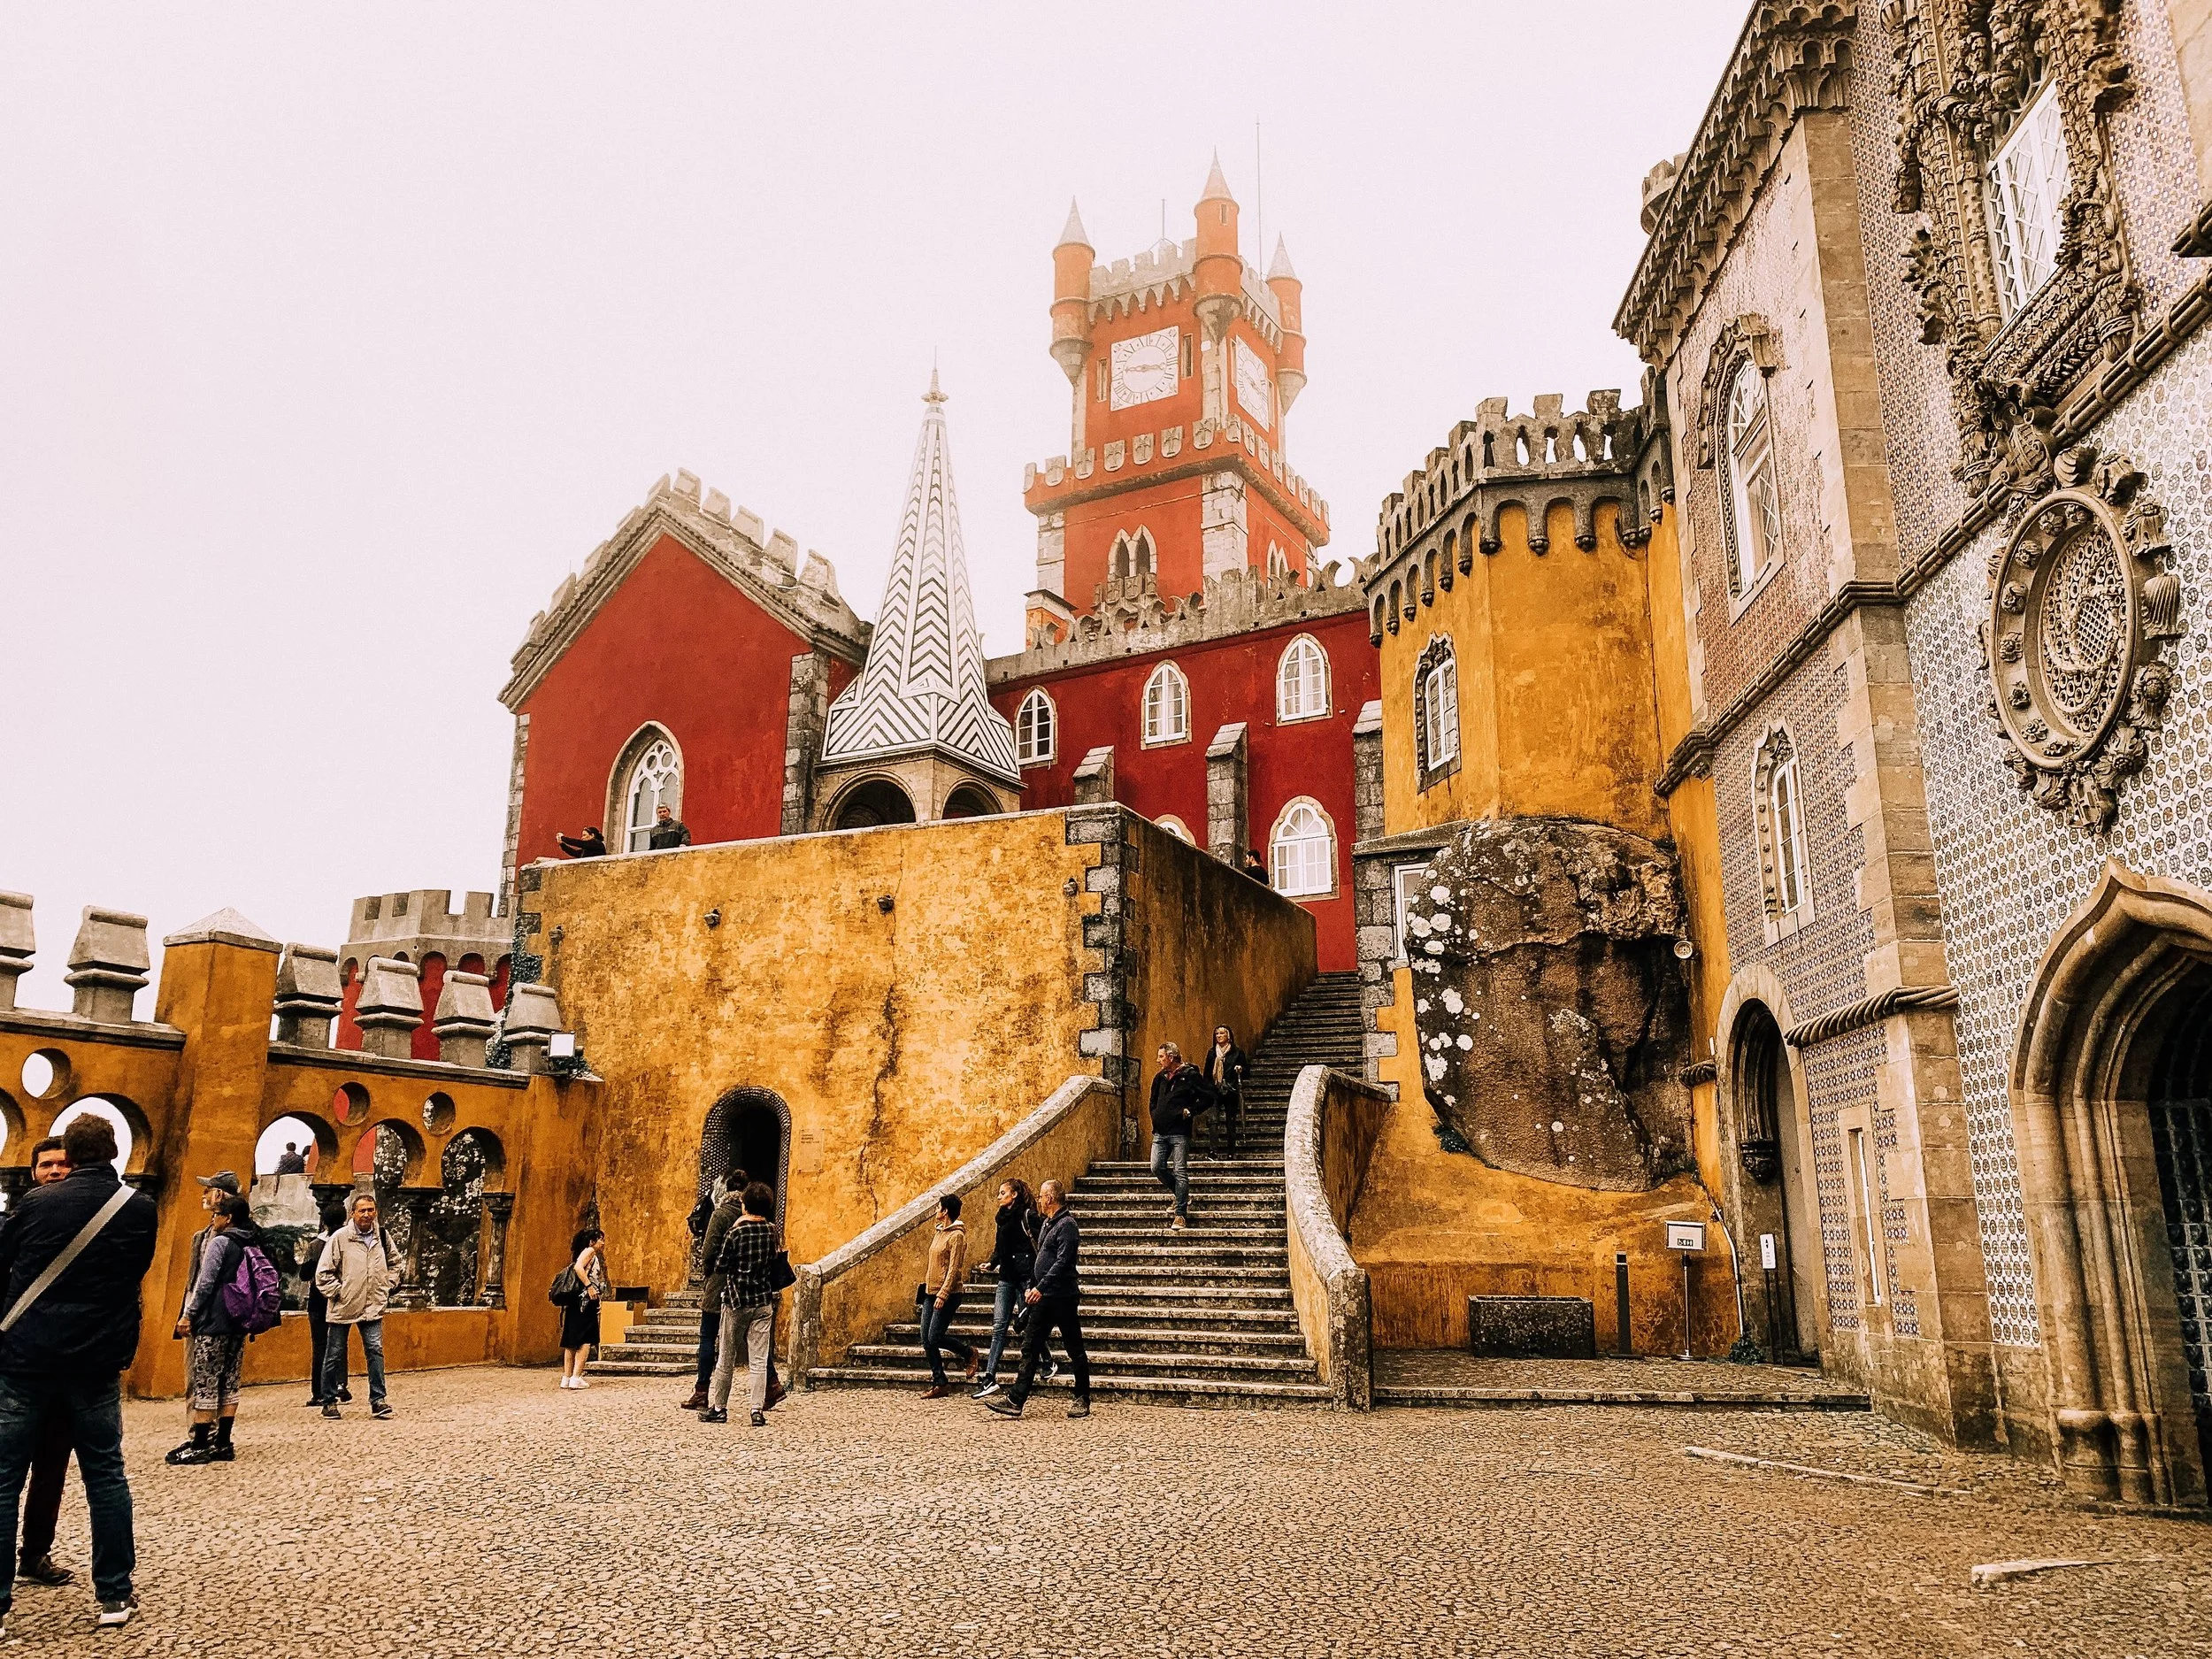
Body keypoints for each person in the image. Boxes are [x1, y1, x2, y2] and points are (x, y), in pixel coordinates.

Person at [0, 1112, 160, 1632]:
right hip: (94, 1363)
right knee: (106, 1477)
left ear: (71, 1152)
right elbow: (132, 1274)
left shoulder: (34, 1205)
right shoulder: (139, 1209)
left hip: (26, 1358)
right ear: (115, 1150)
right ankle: (114, 1596)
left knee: (3, 1482)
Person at [12, 1139, 78, 1590]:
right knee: (6, 1469)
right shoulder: (18, 1219)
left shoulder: (91, 1226)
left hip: (67, 1364)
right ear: (33, 1171)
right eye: (46, 1164)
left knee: (51, 1465)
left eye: (63, 1164)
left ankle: (35, 1552)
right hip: (17, 1360)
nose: (54, 1171)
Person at [165, 1191, 265, 1465]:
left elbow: (205, 1283)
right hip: (239, 1320)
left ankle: (200, 1444)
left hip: (215, 1319)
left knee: (206, 1380)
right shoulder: (251, 1239)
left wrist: (188, 1315)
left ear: (228, 1217)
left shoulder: (221, 1242)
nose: (213, 1220)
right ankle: (223, 1442)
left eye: (217, 1215)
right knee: (230, 1380)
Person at [985, 1179, 1090, 1420]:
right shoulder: (1047, 1224)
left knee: (1074, 1347)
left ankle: (1082, 1397)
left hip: (1063, 1297)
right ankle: (1016, 1400)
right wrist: (1033, 1286)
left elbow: (1062, 1263)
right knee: (1030, 1346)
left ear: (1050, 1199)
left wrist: (1040, 1287)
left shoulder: (1067, 1226)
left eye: (1043, 1196)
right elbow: (1040, 1259)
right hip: (1043, 1297)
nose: (1040, 1200)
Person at [971, 1179, 1059, 1400]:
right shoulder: (1001, 1218)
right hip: (1006, 1277)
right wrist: (992, 1262)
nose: (999, 1197)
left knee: (1027, 1325)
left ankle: (1048, 1360)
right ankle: (990, 1377)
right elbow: (1000, 1245)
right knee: (999, 1326)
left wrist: (1038, 1274)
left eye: (1003, 1193)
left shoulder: (1027, 1215)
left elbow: (1045, 1242)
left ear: (1015, 1195)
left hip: (1025, 1277)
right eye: (999, 1193)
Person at [313, 1193, 396, 1421]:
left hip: (373, 1306)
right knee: (334, 1354)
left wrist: (388, 1285)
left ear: (375, 1211)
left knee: (375, 1351)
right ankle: (328, 1400)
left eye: (370, 1210)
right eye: (362, 1210)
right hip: (344, 1306)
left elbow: (396, 1263)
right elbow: (323, 1273)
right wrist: (339, 1292)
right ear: (353, 1213)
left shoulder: (382, 1236)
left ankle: (378, 1400)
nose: (367, 1214)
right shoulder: (340, 1238)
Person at [703, 1183, 778, 1426]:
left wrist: (734, 1228)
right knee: (759, 1359)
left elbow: (721, 1265)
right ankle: (757, 1410)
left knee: (726, 1356)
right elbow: (774, 1259)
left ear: (745, 1205)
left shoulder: (736, 1233)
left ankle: (719, 1407)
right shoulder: (771, 1230)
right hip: (763, 1300)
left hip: (736, 1300)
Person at [680, 1175, 741, 1412]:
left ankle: (702, 1391)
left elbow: (708, 1250)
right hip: (747, 1285)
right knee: (751, 1337)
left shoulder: (722, 1213)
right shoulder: (754, 1215)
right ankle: (772, 1386)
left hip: (719, 1284)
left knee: (707, 1336)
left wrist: (708, 1273)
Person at [917, 1194, 979, 1400]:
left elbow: (954, 1268)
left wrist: (943, 1293)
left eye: (938, 1208)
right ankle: (940, 1382)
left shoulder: (957, 1236)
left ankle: (969, 1353)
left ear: (945, 1211)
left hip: (948, 1294)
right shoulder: (939, 1233)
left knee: (935, 1336)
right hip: (929, 1292)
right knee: (926, 1339)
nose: (936, 1211)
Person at [1148, 1042, 1213, 1231]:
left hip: (1179, 1133)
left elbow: (1209, 1097)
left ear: (1171, 1057)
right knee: (1156, 1167)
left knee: (1180, 1171)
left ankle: (1180, 1215)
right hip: (1160, 1132)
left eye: (1161, 1057)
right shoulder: (1159, 1078)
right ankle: (1181, 1194)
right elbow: (1153, 1100)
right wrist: (1155, 1115)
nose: (1158, 1060)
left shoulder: (1190, 1076)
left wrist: (1191, 1111)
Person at [302, 1200, 357, 1408]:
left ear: (323, 1221)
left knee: (320, 1347)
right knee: (339, 1344)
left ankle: (318, 1391)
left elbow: (304, 1274)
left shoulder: (316, 1245)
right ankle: (341, 1384)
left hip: (318, 1301)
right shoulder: (349, 1242)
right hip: (342, 1299)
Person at [559, 1227, 608, 1387]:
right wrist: (589, 1287)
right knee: (586, 1338)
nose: (603, 1243)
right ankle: (576, 1376)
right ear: (591, 1241)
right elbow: (578, 1268)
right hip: (585, 1300)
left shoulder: (583, 1252)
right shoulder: (589, 1252)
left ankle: (567, 1377)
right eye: (600, 1239)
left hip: (576, 1301)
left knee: (571, 1339)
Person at [1202, 1025, 1250, 1156]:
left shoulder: (1237, 1053)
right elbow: (1206, 1074)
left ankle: (1231, 1151)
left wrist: (1240, 1069)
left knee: (1231, 1121)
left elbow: (1247, 1072)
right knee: (1213, 1120)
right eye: (1217, 1033)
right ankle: (1213, 1151)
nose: (1219, 1036)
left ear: (1228, 1036)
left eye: (1222, 1033)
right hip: (1214, 1090)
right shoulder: (1212, 1053)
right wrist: (1207, 1089)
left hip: (1230, 1089)